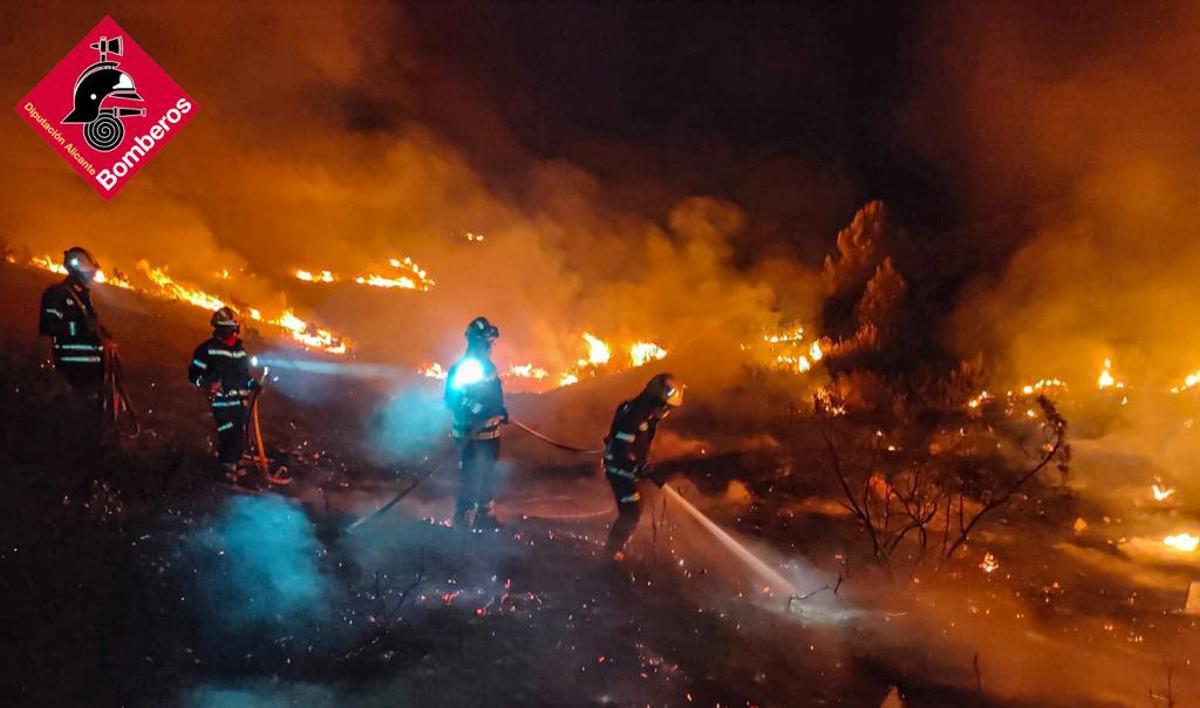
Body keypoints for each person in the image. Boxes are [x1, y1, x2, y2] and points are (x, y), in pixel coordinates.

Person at [602, 373, 684, 558]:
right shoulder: (635, 416)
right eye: (667, 408)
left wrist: (640, 465)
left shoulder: (642, 414)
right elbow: (622, 449)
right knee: (631, 512)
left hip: (625, 469)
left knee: (635, 508)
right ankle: (613, 554)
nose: (667, 413)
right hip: (620, 470)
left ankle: (616, 549)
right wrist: (636, 466)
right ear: (658, 402)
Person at [444, 316, 508, 528]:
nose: (491, 346)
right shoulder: (466, 368)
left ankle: (485, 517)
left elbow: (492, 396)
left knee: (487, 476)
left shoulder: (487, 367)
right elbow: (453, 398)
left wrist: (500, 411)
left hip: (490, 435)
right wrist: (481, 412)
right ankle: (462, 523)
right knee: (471, 479)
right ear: (479, 342)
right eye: (489, 342)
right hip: (471, 437)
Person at [188, 307, 259, 481]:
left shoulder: (240, 350)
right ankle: (227, 468)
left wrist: (253, 384)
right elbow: (194, 375)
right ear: (223, 328)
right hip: (221, 401)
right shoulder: (207, 349)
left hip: (239, 401)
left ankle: (237, 466)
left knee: (239, 432)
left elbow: (244, 376)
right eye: (233, 326)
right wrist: (207, 382)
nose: (236, 330)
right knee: (227, 431)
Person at [38, 247, 109, 404]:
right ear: (80, 270)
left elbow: (94, 326)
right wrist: (80, 328)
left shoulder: (83, 297)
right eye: (91, 272)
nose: (93, 276)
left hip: (92, 375)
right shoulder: (57, 294)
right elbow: (48, 329)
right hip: (71, 374)